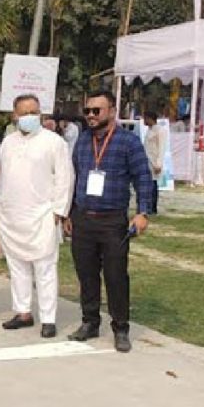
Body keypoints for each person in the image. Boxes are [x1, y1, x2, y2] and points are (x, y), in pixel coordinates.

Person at [65, 90, 151, 352]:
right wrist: (69, 212)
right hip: (83, 219)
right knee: (86, 274)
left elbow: (143, 177)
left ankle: (121, 328)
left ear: (112, 111)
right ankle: (90, 322)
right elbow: (74, 178)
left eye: (96, 110)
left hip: (112, 221)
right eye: (87, 111)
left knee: (115, 276)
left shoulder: (128, 142)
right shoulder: (82, 141)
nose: (90, 115)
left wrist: (143, 212)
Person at [0, 94, 73, 339]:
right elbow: (2, 176)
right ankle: (23, 312)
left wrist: (59, 211)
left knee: (45, 268)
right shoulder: (8, 142)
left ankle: (48, 319)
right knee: (17, 266)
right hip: (12, 214)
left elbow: (65, 177)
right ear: (14, 115)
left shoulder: (54, 142)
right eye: (24, 113)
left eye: (34, 112)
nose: (30, 116)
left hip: (42, 215)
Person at [142, 111, 167, 215]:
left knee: (153, 185)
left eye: (145, 119)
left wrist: (158, 164)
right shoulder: (149, 130)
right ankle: (147, 206)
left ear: (150, 118)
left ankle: (152, 208)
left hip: (154, 161)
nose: (144, 121)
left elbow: (161, 148)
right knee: (147, 185)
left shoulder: (160, 130)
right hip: (147, 160)